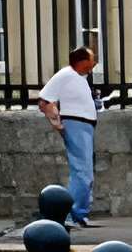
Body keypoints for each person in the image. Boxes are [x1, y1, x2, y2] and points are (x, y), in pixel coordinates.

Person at [38, 45, 102, 227]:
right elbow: (44, 100)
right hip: (76, 124)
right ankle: (71, 215)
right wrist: (56, 122)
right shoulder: (65, 74)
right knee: (82, 172)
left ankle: (80, 214)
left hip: (84, 125)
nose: (94, 63)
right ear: (82, 61)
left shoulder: (79, 77)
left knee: (85, 171)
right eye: (91, 59)